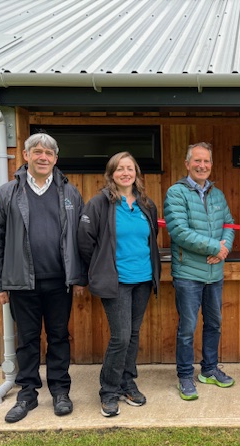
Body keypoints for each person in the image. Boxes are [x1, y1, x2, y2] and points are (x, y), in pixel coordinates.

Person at [0, 132, 86, 423]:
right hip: (21, 282)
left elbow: (80, 238)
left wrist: (78, 277)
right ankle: (27, 393)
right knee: (27, 340)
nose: (43, 157)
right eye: (37, 152)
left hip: (59, 281)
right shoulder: (8, 193)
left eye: (49, 153)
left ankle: (60, 392)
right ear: (25, 156)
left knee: (58, 337)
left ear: (56, 159)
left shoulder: (70, 193)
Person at [78, 152, 161, 417]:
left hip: (143, 279)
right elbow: (85, 241)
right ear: (111, 173)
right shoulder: (100, 203)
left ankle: (127, 382)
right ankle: (109, 390)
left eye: (130, 168)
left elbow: (151, 237)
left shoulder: (147, 204)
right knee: (120, 337)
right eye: (120, 169)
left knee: (133, 335)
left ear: (136, 172)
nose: (126, 173)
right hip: (117, 281)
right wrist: (100, 267)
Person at [163, 142, 235, 401]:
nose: (202, 166)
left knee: (214, 324)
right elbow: (179, 231)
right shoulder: (175, 193)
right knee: (188, 327)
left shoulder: (217, 194)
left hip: (214, 273)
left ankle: (209, 370)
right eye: (197, 161)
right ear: (187, 164)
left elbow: (229, 223)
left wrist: (224, 248)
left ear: (211, 165)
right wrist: (216, 246)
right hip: (188, 275)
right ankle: (185, 375)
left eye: (206, 162)